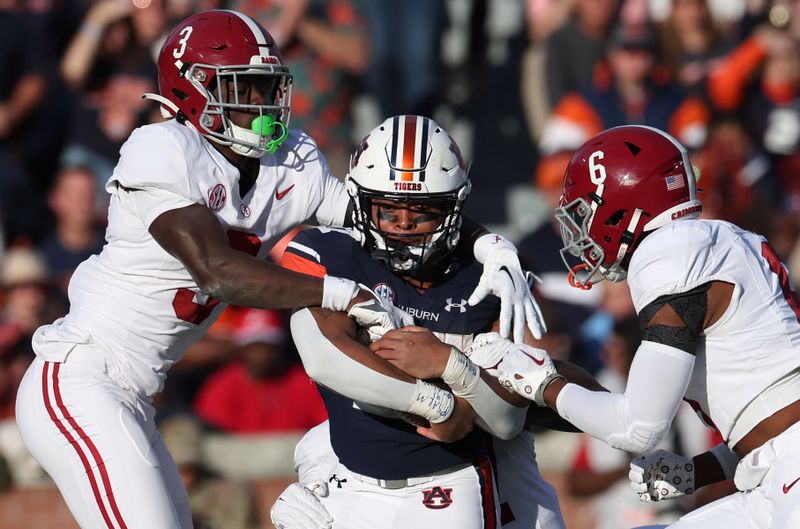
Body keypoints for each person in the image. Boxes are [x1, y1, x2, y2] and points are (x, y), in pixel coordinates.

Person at [13, 11, 543, 529]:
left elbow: (383, 211)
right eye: (244, 89)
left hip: (136, 395)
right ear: (192, 91)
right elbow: (215, 271)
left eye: (268, 87)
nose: (264, 104)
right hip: (83, 378)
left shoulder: (287, 160)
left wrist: (489, 244)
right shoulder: (161, 146)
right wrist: (338, 292)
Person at [268, 115, 596, 529]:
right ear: (361, 202)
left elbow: (527, 409)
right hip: (352, 470)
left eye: (421, 211)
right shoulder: (329, 253)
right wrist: (444, 400)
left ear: (453, 208)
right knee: (314, 452)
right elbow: (325, 358)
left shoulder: (490, 279)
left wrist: (453, 365)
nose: (403, 225)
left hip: (459, 479)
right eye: (388, 209)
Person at [499, 124, 800, 528]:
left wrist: (540, 382)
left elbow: (637, 427)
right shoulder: (721, 238)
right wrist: (697, 472)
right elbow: (770, 411)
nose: (580, 230)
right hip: (776, 469)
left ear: (625, 206)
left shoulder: (670, 252)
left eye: (585, 212)